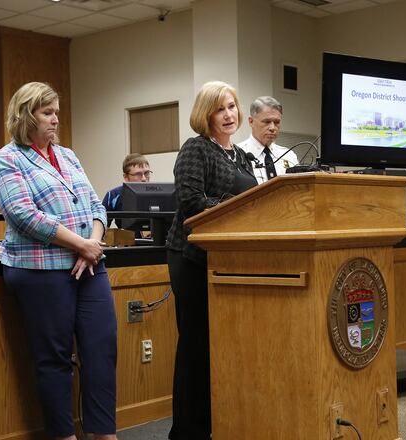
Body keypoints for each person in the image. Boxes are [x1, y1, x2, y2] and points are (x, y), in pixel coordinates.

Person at [0, 82, 117, 440]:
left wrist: (92, 243)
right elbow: (22, 214)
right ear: (26, 115)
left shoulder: (68, 155)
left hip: (88, 265)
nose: (55, 120)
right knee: (55, 359)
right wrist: (81, 244)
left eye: (56, 113)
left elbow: (96, 205)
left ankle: (104, 433)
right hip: (39, 269)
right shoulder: (8, 158)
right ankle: (64, 436)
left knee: (101, 350)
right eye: (47, 113)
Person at [165, 81, 257, 440]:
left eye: (233, 106)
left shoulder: (242, 156)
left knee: (223, 345)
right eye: (221, 109)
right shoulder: (196, 149)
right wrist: (235, 208)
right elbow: (190, 201)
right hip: (190, 258)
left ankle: (219, 423)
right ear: (207, 114)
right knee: (196, 345)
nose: (229, 114)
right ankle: (187, 431)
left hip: (229, 260)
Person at [238, 96, 298, 184]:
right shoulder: (238, 154)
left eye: (277, 122)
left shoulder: (289, 156)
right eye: (266, 122)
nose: (272, 128)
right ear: (251, 121)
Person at [102, 153, 153, 236]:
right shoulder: (113, 195)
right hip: (126, 245)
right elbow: (102, 226)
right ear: (126, 177)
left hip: (157, 245)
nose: (144, 178)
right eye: (138, 174)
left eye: (146, 173)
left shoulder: (159, 193)